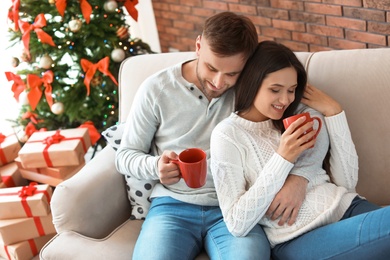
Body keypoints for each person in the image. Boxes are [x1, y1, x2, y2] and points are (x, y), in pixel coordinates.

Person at [210, 40, 390, 259]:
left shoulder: (302, 117)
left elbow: (347, 184)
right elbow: (237, 223)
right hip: (298, 236)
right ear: (251, 83)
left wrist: (335, 113)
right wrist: (283, 158)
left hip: (349, 208)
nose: (285, 100)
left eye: (292, 90)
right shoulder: (228, 135)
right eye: (275, 90)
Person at [115, 12, 268, 259]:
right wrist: (156, 166)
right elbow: (125, 156)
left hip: (235, 206)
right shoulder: (156, 89)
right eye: (211, 67)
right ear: (198, 46)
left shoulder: (253, 89)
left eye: (231, 74)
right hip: (171, 206)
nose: (219, 82)